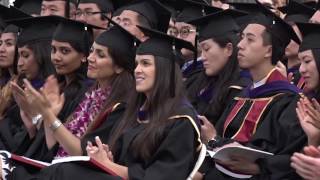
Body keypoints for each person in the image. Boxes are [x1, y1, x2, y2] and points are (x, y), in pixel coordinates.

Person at [199, 2, 307, 179]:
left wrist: (214, 140)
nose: (240, 45)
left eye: (249, 39)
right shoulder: (242, 96)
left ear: (268, 50)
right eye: (241, 37)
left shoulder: (288, 101)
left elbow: (283, 159)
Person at [290, 22, 320, 179]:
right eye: (300, 61)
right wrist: (313, 138)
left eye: (307, 61)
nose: (301, 69)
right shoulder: (308, 101)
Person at [278, 0, 315, 89]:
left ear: (305, 39)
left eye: (291, 35)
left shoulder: (308, 78)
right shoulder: (276, 70)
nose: (285, 40)